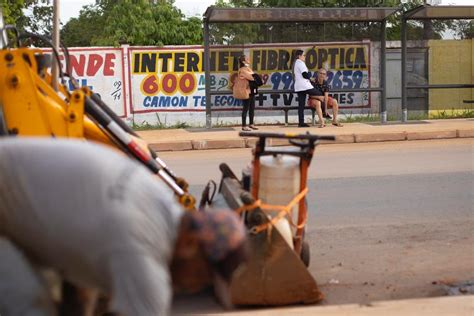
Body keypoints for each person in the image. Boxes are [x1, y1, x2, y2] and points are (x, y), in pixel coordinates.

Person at [0, 138, 248, 315]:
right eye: (203, 277)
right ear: (189, 244)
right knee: (28, 306)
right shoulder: (143, 251)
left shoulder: (156, 201)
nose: (195, 287)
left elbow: (83, 262)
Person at [293, 49, 322, 127]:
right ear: (299, 56)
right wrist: (311, 78)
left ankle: (301, 122)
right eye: (304, 55)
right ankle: (324, 112)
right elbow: (304, 74)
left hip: (299, 87)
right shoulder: (301, 63)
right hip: (304, 85)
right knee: (320, 94)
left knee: (301, 105)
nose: (305, 57)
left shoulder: (296, 63)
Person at [238, 55, 258, 131]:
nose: (249, 59)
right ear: (243, 61)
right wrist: (254, 76)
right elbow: (252, 77)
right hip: (246, 90)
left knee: (252, 108)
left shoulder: (248, 68)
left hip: (251, 90)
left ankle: (251, 124)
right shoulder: (243, 69)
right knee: (245, 108)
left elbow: (254, 76)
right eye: (247, 59)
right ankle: (243, 125)